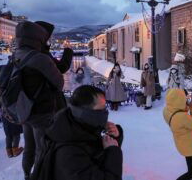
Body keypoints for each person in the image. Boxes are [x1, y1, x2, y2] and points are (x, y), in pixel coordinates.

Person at [13, 21, 71, 180]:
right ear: (38, 37)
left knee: (29, 147)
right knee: (42, 149)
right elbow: (59, 83)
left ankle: (26, 174)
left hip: (25, 110)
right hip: (42, 112)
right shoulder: (40, 58)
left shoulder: (17, 54)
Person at [31, 85, 123, 180]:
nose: (105, 113)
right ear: (86, 113)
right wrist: (113, 151)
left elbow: (98, 154)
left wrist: (115, 137)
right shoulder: (69, 154)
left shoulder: (80, 128)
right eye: (101, 110)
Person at [163, 89, 192, 180]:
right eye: (184, 98)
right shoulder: (182, 116)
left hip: (182, 143)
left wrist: (185, 106)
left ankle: (190, 178)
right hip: (189, 146)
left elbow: (179, 113)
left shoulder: (167, 110)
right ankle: (189, 177)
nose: (186, 99)